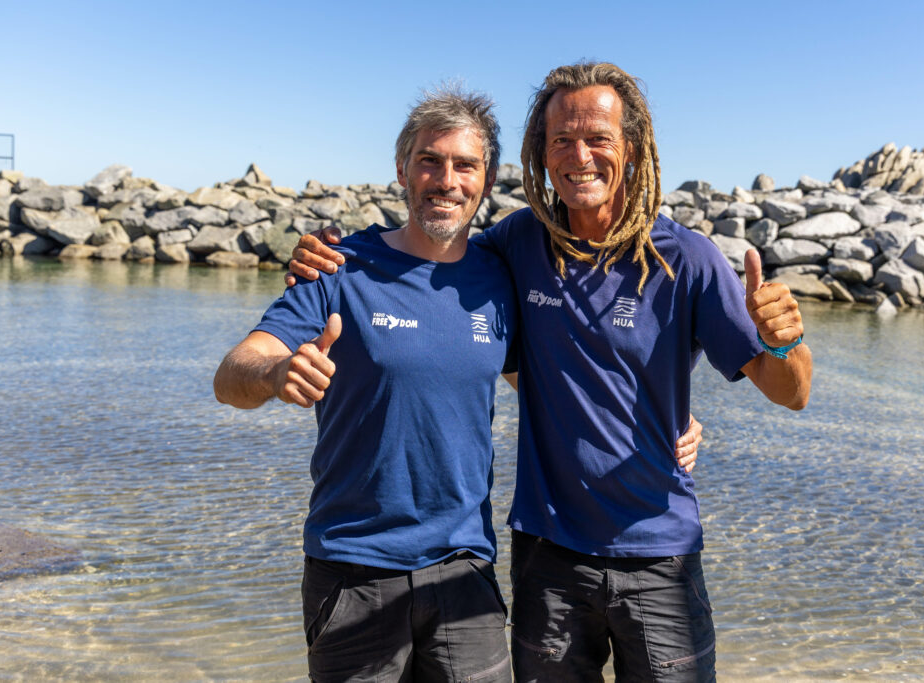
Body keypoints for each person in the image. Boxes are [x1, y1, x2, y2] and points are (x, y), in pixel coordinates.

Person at [287, 62, 810, 682]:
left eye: (598, 138)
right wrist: (335, 254)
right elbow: (433, 262)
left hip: (658, 553)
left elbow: (791, 393)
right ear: (540, 153)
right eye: (562, 139)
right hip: (548, 556)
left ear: (632, 148)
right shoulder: (517, 244)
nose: (579, 156)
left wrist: (784, 344)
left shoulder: (687, 259)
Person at [213, 86, 519, 682]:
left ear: (486, 180)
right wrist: (275, 373)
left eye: (465, 165)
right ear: (402, 170)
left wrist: (667, 420)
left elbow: (549, 386)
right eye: (429, 160)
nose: (447, 180)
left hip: (465, 568)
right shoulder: (338, 268)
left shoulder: (500, 279)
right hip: (352, 568)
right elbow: (231, 376)